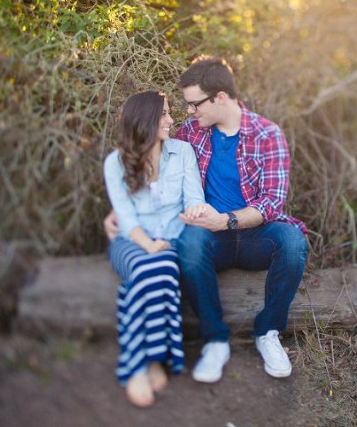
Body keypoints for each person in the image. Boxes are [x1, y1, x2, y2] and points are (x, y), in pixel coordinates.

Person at [106, 56, 308, 384]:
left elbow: (271, 203)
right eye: (184, 106)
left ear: (220, 98)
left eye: (194, 104)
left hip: (255, 234)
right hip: (209, 237)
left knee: (292, 241)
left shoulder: (267, 134)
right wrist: (122, 207)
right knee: (190, 242)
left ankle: (267, 332)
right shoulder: (189, 135)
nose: (189, 112)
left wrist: (226, 220)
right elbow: (148, 158)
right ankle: (215, 338)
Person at [103, 91, 207, 407]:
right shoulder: (116, 162)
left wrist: (196, 212)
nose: (171, 120)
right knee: (154, 266)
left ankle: (146, 361)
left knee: (159, 266)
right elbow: (126, 216)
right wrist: (148, 245)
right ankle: (142, 365)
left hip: (172, 240)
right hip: (129, 242)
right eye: (163, 114)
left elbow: (194, 198)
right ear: (145, 119)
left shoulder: (183, 152)